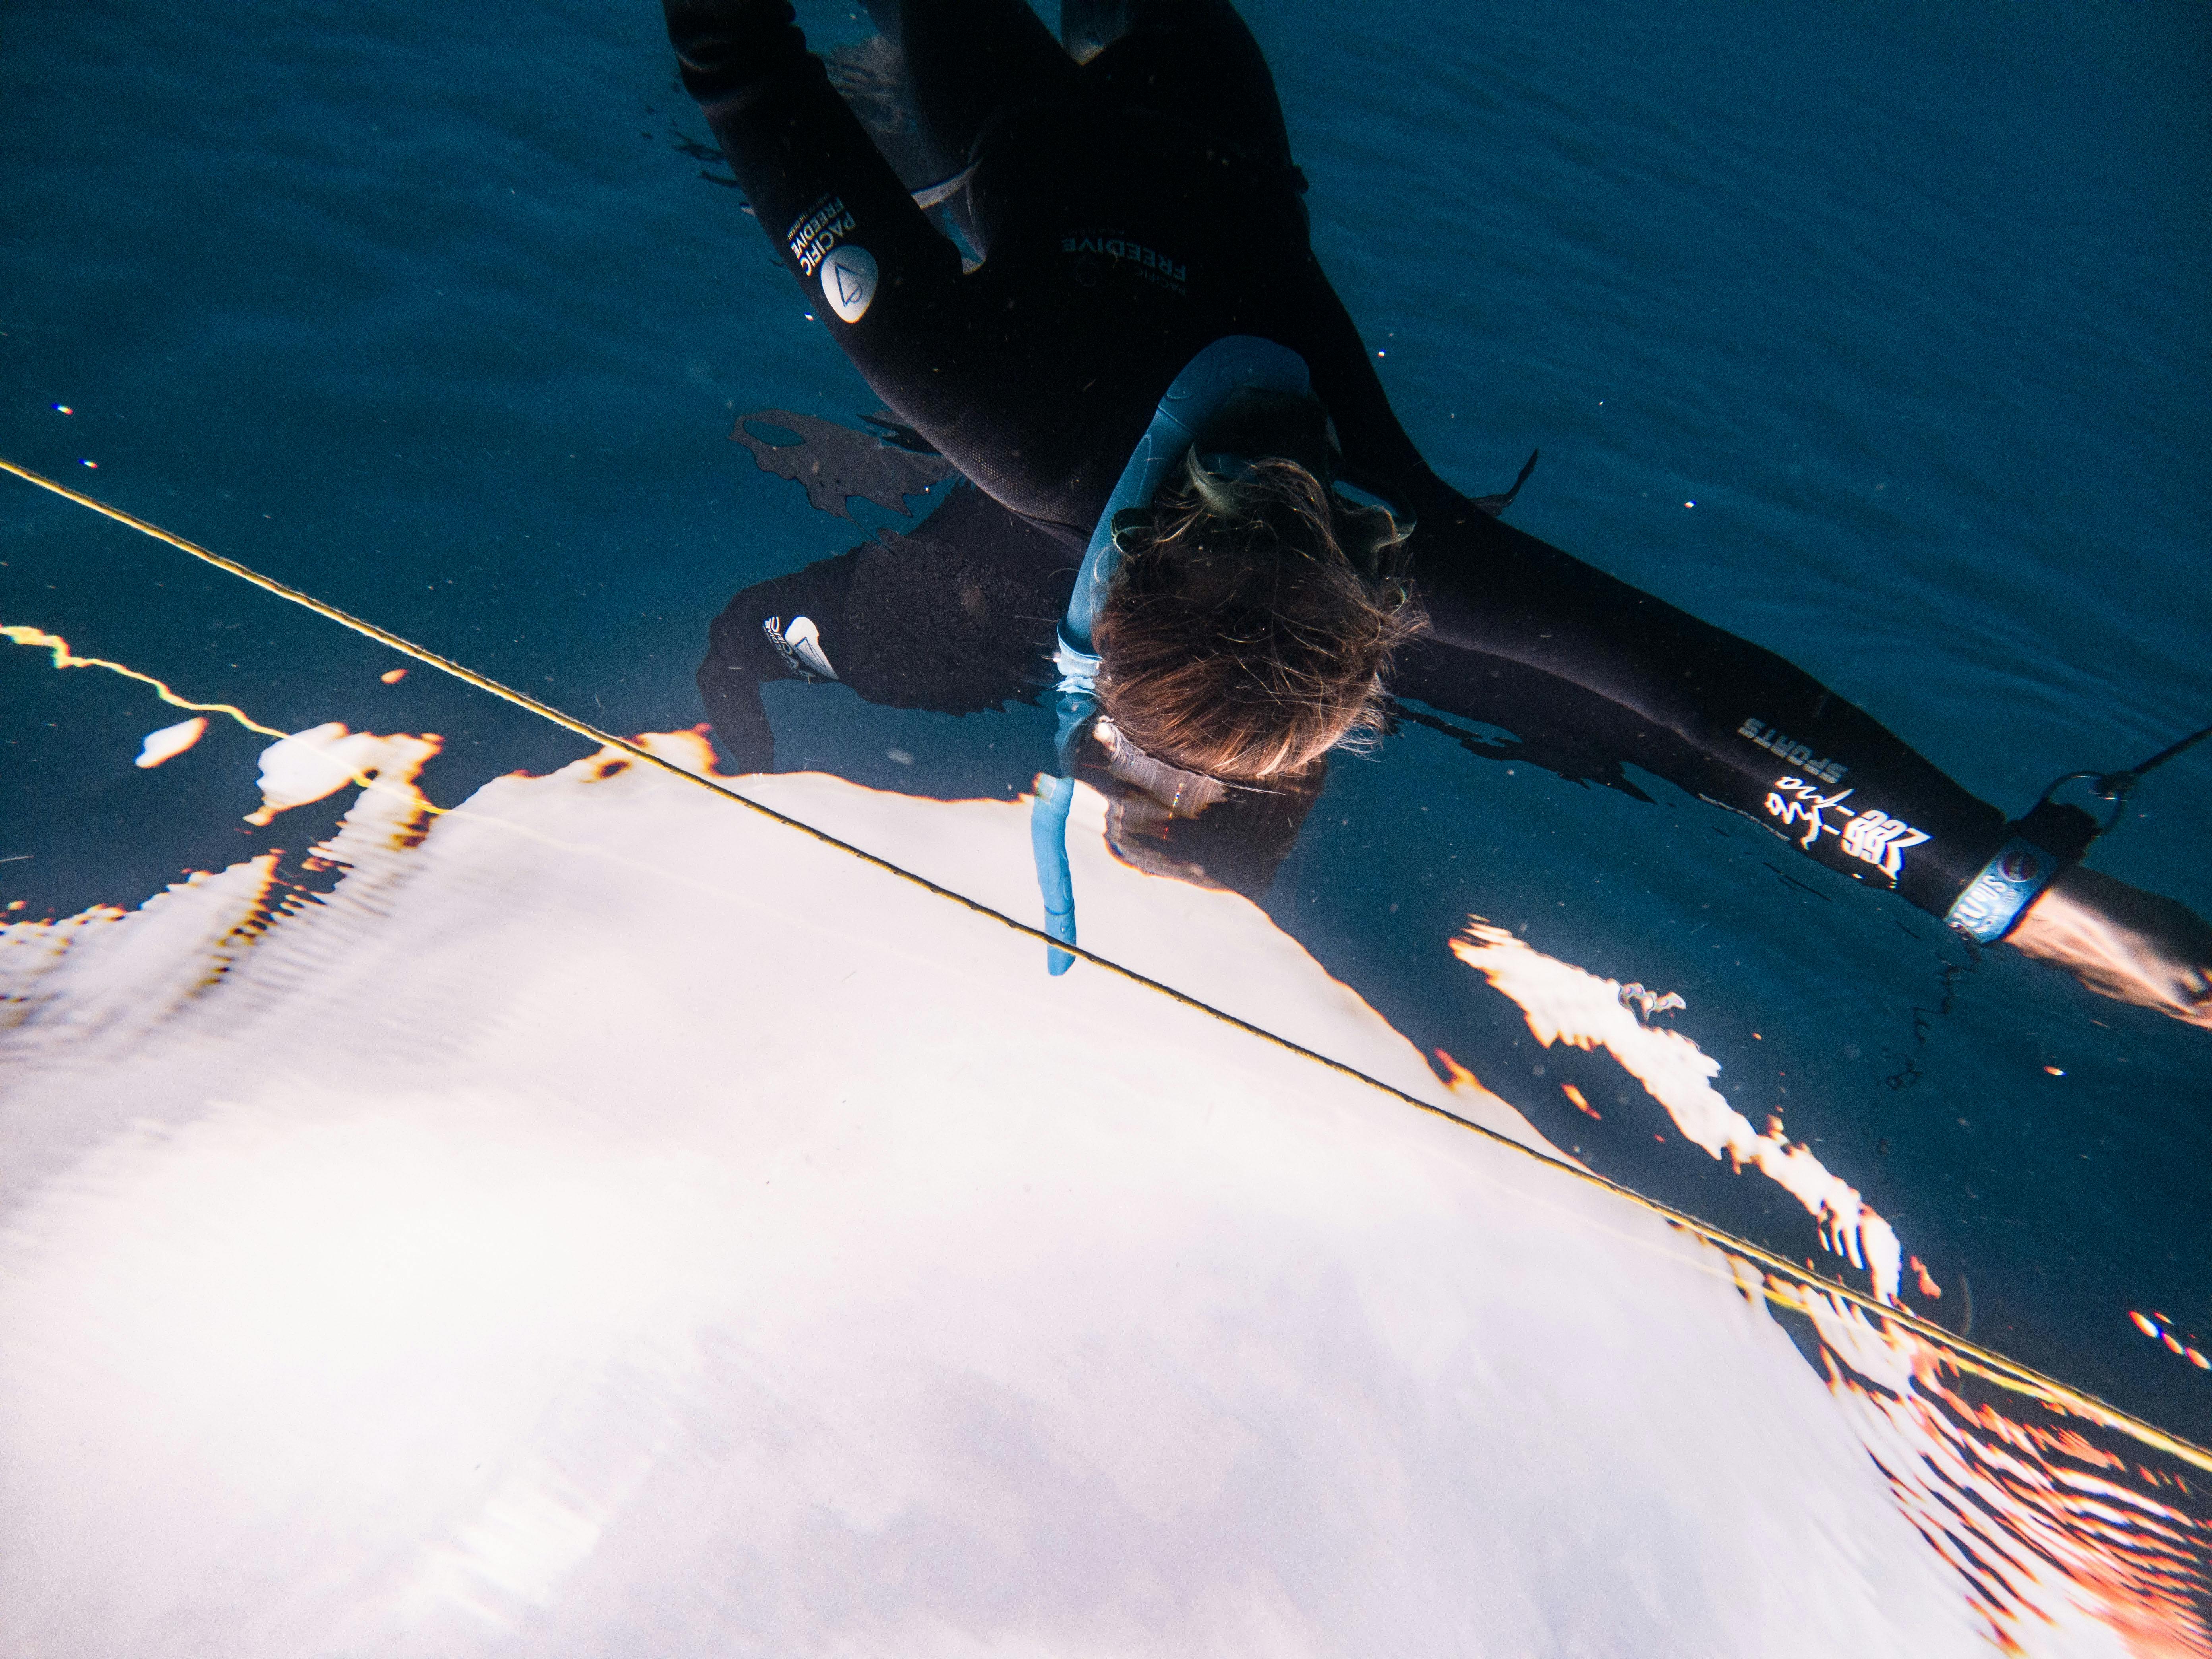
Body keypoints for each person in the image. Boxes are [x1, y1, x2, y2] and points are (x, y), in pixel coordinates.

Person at [664, 0, 2211, 1026]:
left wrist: (2034, 901)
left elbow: (1713, 703)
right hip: (1110, 138)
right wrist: (2013, 900)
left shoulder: (1405, 538)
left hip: (1193, 105)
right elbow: (737, 68)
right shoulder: (989, 406)